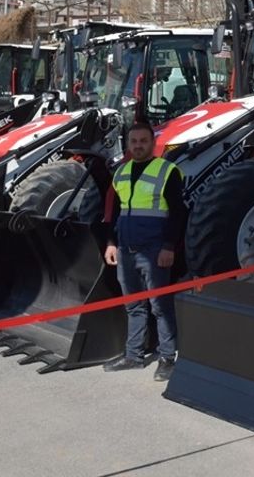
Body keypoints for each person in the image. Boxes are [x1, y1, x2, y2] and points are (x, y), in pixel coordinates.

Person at [101, 122, 187, 381]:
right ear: (128, 144)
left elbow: (178, 213)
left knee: (160, 306)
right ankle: (133, 355)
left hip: (154, 249)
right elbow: (113, 213)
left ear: (153, 143)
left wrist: (169, 247)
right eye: (134, 141)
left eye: (143, 141)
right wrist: (111, 243)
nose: (138, 145)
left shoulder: (167, 171)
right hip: (126, 249)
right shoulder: (121, 172)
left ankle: (167, 358)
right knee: (134, 305)